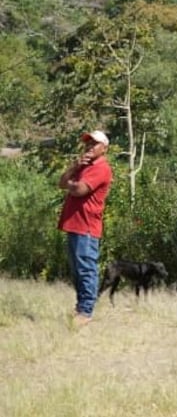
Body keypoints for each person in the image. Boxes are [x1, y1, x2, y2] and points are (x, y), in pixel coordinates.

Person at [57, 130, 113, 326]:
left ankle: (86, 311)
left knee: (86, 269)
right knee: (77, 270)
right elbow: (61, 183)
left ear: (104, 148)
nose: (89, 146)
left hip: (87, 226)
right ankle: (81, 307)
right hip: (74, 224)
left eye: (94, 143)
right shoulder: (83, 166)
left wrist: (71, 184)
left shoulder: (101, 168)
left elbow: (80, 190)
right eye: (88, 143)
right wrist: (74, 168)